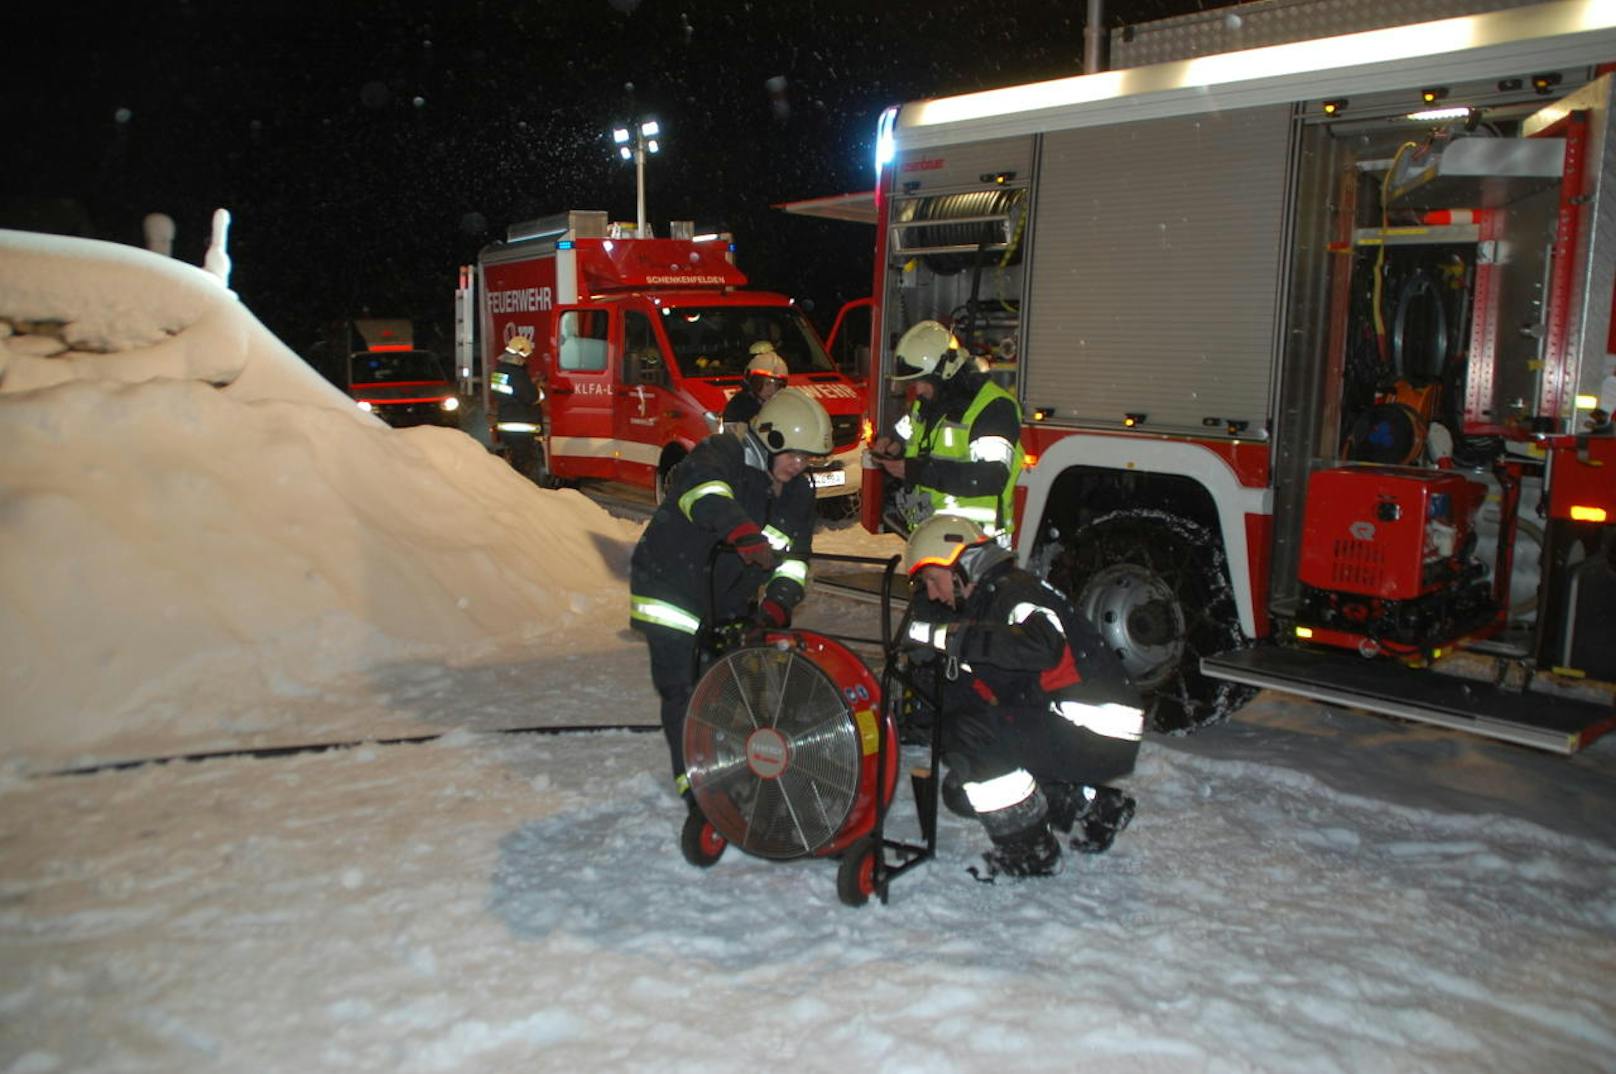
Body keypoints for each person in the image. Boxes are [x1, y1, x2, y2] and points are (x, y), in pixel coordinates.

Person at [899, 513, 1145, 881]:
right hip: (1085, 725)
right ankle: (1093, 809)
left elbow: (1041, 646)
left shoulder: (1015, 592)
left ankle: (1032, 852)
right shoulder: (989, 600)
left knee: (969, 737)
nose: (933, 593)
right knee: (960, 787)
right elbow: (991, 688)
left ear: (959, 565)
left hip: (1095, 724)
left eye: (933, 580)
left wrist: (956, 639)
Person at [629, 387, 835, 815]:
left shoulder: (797, 491)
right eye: (794, 455)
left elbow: (795, 559)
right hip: (672, 588)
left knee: (734, 691)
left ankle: (739, 770)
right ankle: (698, 790)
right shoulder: (720, 453)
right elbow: (705, 495)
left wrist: (778, 603)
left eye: (808, 459)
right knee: (685, 690)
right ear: (770, 438)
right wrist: (742, 533)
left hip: (728, 596)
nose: (800, 466)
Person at [870, 320, 1022, 545]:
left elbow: (990, 476)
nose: (918, 390)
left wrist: (917, 471)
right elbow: (904, 435)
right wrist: (890, 446)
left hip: (976, 544)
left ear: (947, 372)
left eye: (923, 382)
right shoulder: (926, 404)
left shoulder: (993, 408)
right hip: (930, 540)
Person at [490, 334, 542, 480]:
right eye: (525, 356)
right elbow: (531, 397)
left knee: (514, 464)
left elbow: (509, 392)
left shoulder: (500, 371)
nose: (526, 360)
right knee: (523, 469)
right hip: (521, 426)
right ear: (519, 355)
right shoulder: (517, 373)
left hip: (506, 422)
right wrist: (537, 388)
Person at [721, 341, 789, 432]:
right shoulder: (738, 407)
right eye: (767, 383)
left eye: (777, 385)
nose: (772, 390)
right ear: (752, 382)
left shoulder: (783, 404)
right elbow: (733, 439)